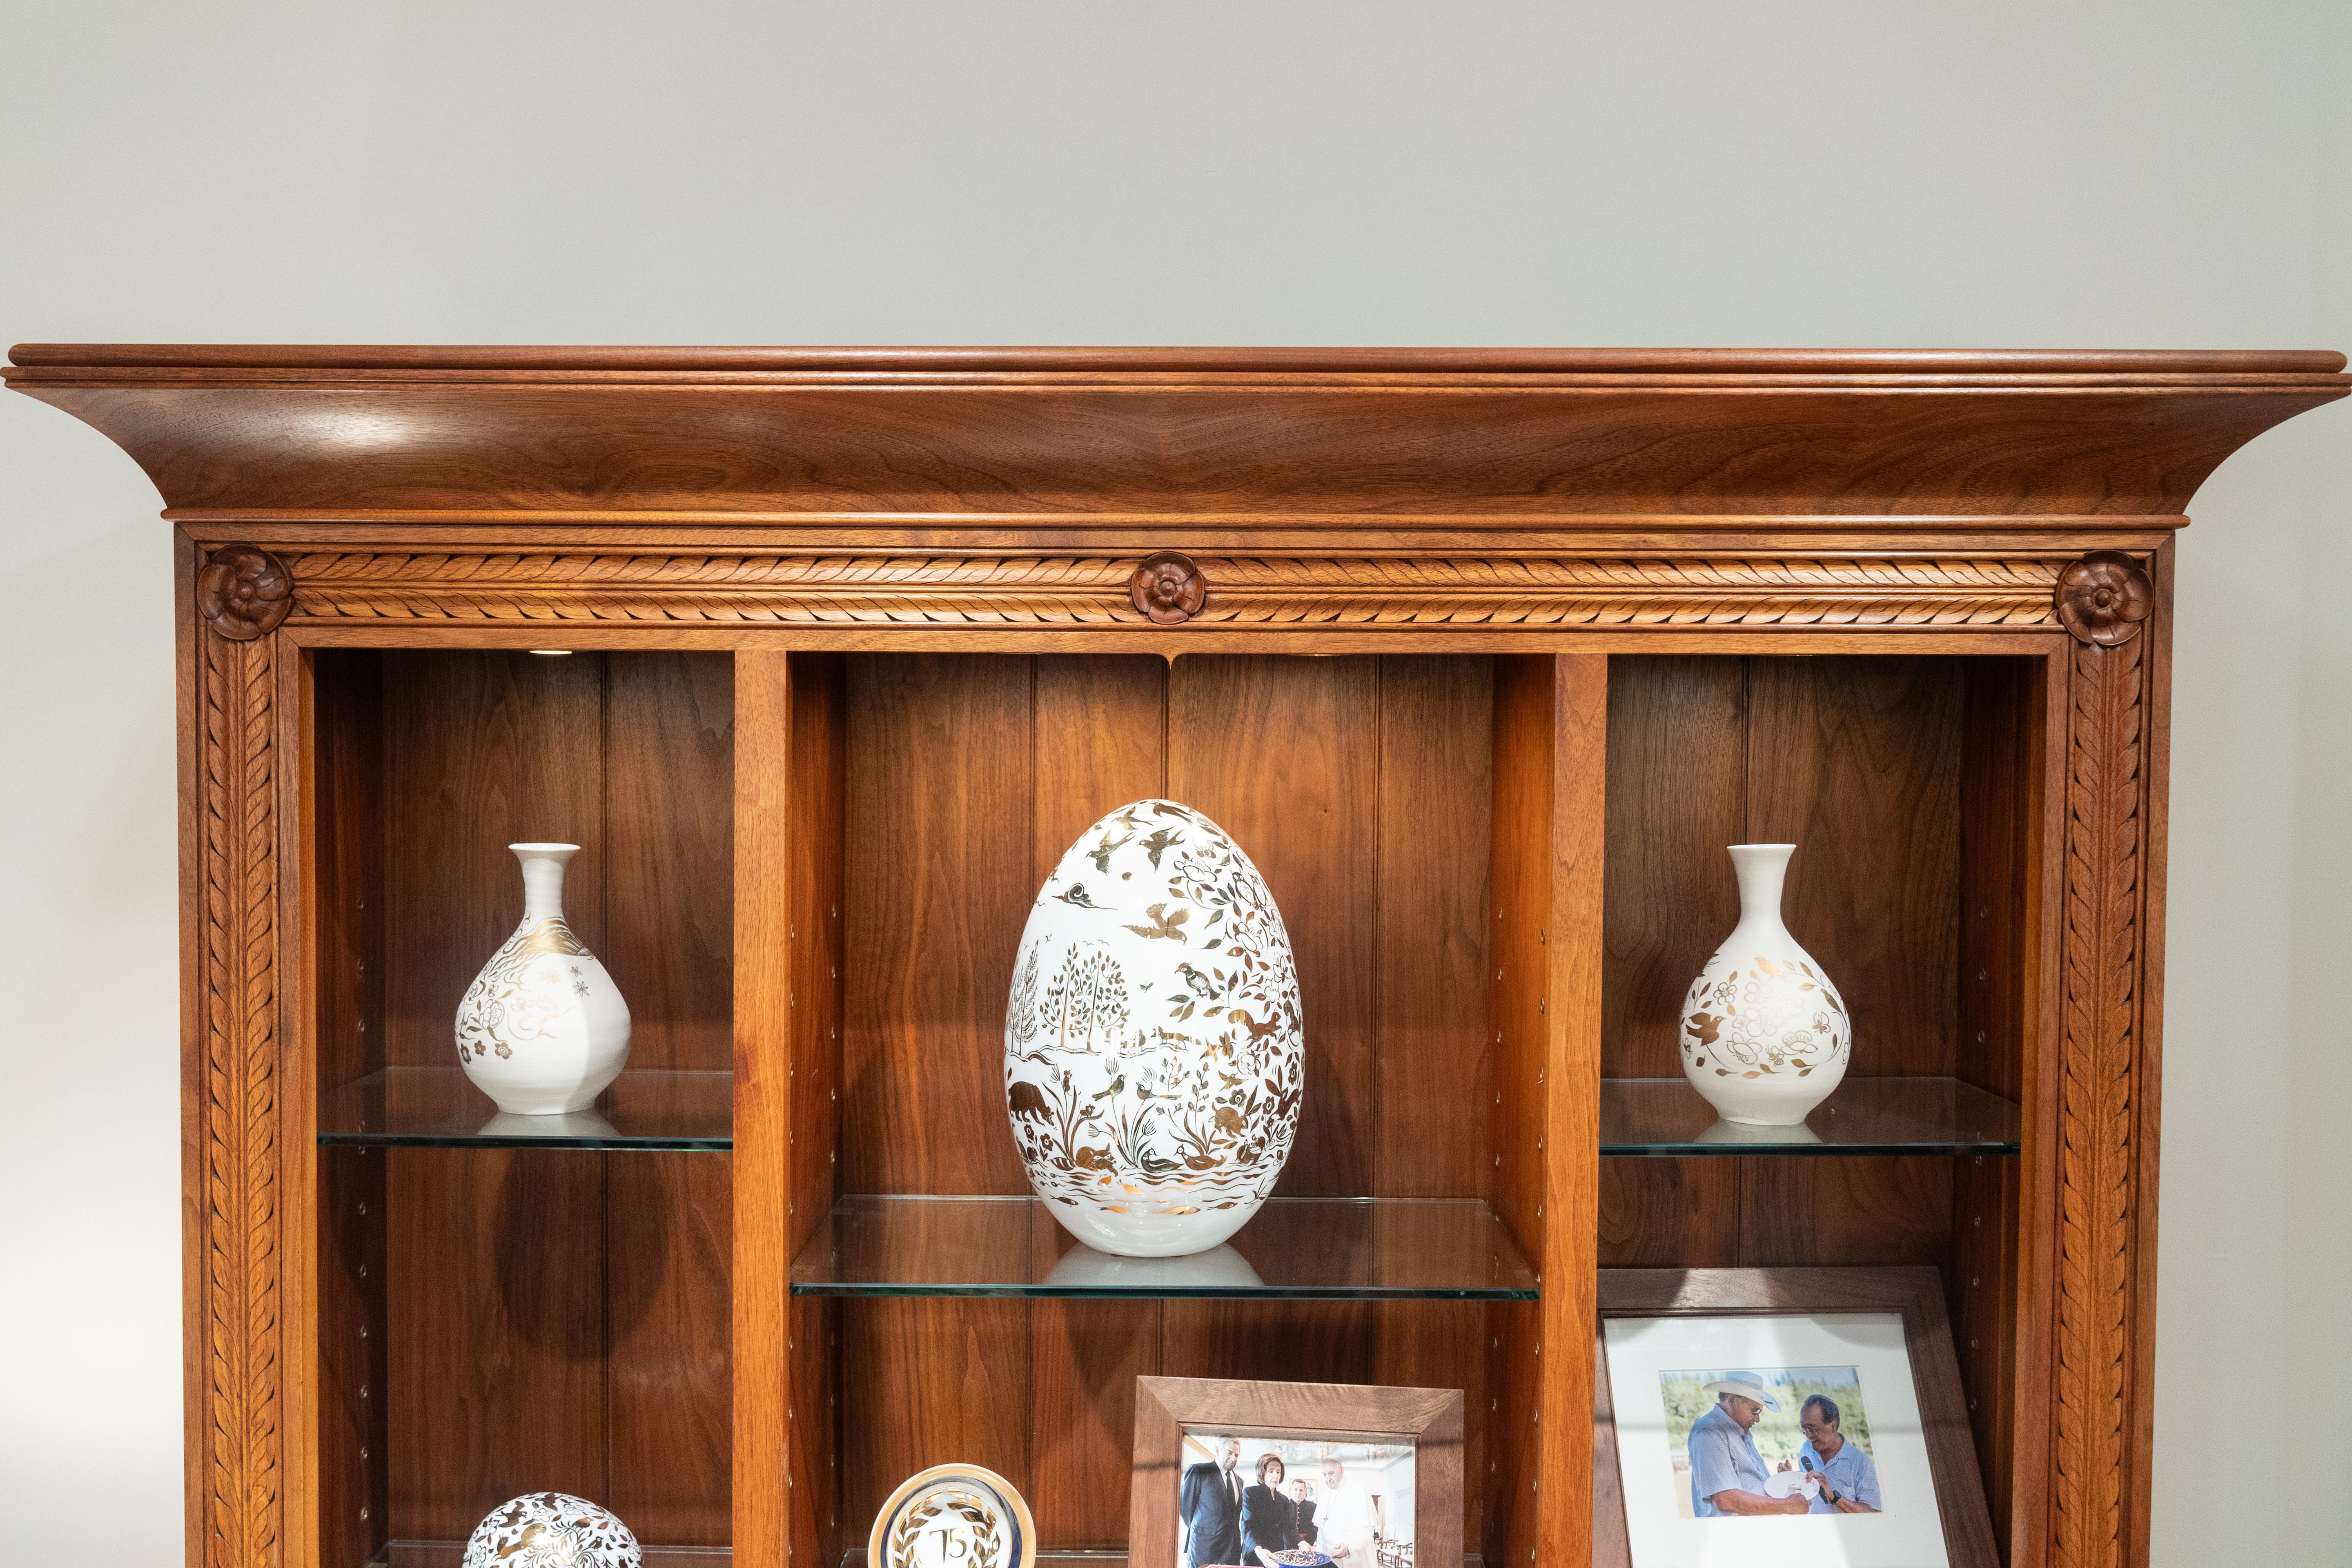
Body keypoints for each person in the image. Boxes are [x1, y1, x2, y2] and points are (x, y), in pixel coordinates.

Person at [1687, 1372, 1809, 1517]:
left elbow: (1750, 1484)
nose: (1757, 1419)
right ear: (1732, 1400)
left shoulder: (1741, 1430)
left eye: (1760, 1412)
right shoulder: (1709, 1431)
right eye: (1755, 1410)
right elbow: (1726, 1500)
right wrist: (1787, 1506)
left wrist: (1780, 1481)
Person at [1789, 1393, 1882, 1515]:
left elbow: (1873, 1513)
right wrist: (1791, 1477)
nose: (1808, 1435)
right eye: (1803, 1429)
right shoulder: (1806, 1448)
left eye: (1812, 1429)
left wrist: (1833, 1496)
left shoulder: (1861, 1463)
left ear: (1833, 1426)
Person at [1180, 1435, 1245, 1568]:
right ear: (1218, 1450)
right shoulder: (1200, 1471)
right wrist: (1204, 1531)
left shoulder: (1239, 1480)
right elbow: (1185, 1509)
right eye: (1229, 1453)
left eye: (1237, 1455)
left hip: (1232, 1551)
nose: (1234, 1459)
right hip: (1204, 1550)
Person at [1241, 1454, 1299, 1564]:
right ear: (1262, 1473)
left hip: (1276, 1554)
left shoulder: (1283, 1500)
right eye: (1271, 1471)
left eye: (1278, 1472)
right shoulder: (1251, 1493)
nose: (1276, 1476)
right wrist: (1259, 1550)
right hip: (1256, 1553)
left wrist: (1301, 1543)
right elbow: (1247, 1528)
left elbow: (1289, 1527)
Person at [1315, 1459, 1375, 1561]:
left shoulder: (1358, 1490)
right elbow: (1321, 1530)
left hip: (1354, 1557)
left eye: (1331, 1473)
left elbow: (1367, 1529)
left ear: (1341, 1471)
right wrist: (1320, 1555)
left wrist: (1349, 1546)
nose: (1328, 1479)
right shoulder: (1324, 1495)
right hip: (1330, 1557)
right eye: (1325, 1475)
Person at [1289, 1478, 1318, 1547]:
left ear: (1305, 1492)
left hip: (1307, 1545)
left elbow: (1315, 1528)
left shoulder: (1313, 1507)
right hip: (1288, 1544)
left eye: (1301, 1490)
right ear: (1291, 1491)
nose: (1298, 1493)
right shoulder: (1285, 1505)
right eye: (1296, 1490)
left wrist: (1307, 1544)